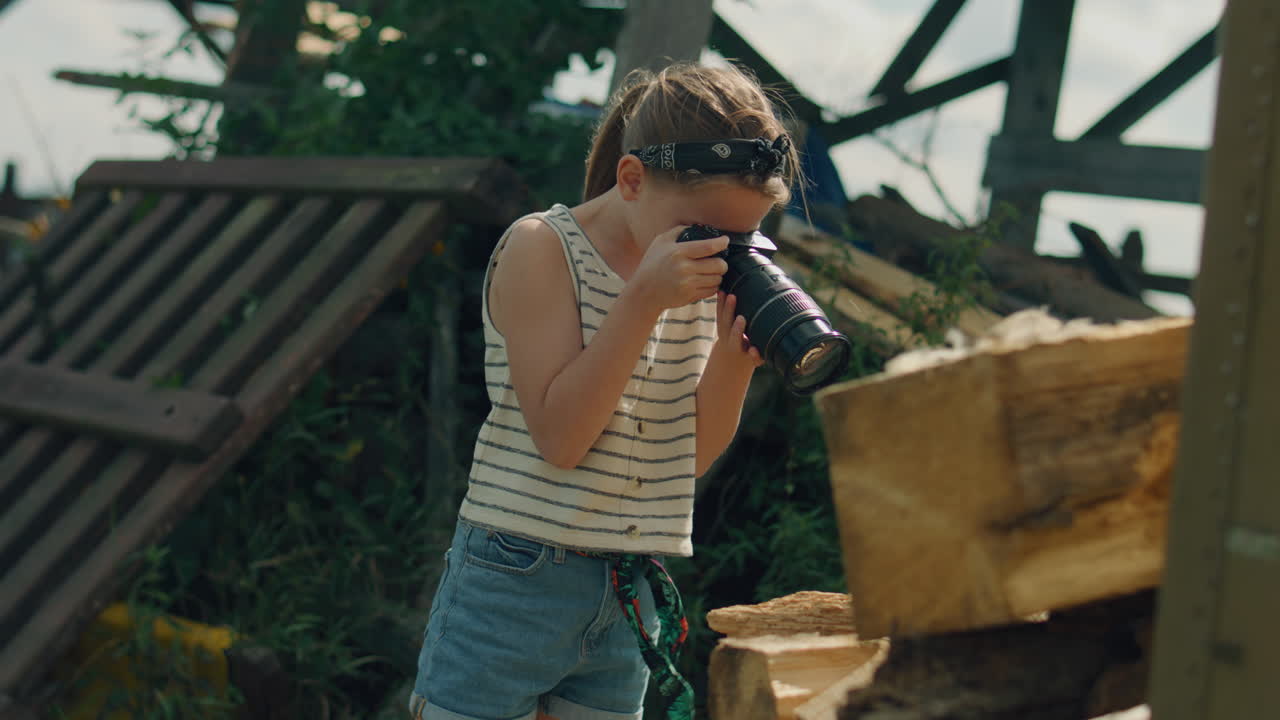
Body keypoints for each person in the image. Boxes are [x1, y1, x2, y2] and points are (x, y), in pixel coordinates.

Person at [410, 61, 802, 720]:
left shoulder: (691, 277)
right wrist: (641, 302)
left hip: (629, 587)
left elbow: (682, 464)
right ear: (632, 179)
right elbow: (562, 440)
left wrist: (734, 363)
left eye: (742, 239)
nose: (720, 255)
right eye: (704, 234)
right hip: (517, 576)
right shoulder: (542, 248)